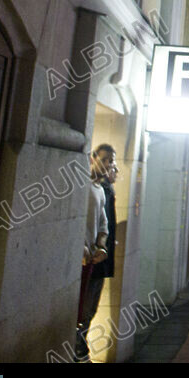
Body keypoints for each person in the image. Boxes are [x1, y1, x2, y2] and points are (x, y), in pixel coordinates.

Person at [75, 147, 109, 362]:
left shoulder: (101, 190)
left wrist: (101, 247)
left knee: (86, 312)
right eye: (104, 160)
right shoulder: (82, 186)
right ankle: (79, 351)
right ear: (92, 158)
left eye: (111, 162)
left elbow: (103, 225)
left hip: (91, 262)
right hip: (78, 261)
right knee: (78, 311)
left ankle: (78, 350)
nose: (107, 165)